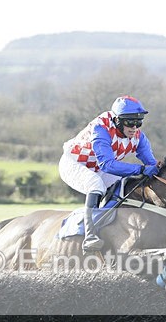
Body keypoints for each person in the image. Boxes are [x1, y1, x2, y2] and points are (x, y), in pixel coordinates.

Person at [59, 95, 160, 252]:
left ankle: (107, 225)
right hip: (74, 164)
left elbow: (151, 164)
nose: (134, 127)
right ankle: (90, 236)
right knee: (96, 185)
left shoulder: (139, 137)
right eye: (130, 122)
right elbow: (107, 165)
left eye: (138, 122)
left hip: (97, 168)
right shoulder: (100, 129)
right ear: (117, 120)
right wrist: (140, 169)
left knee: (124, 184)